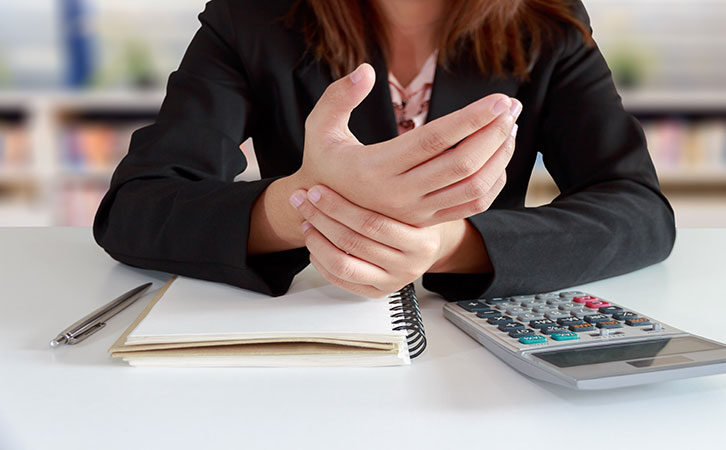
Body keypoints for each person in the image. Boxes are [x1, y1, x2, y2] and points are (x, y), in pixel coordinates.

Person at [93, 0, 675, 300]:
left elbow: (639, 210)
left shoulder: (545, 21)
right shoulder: (251, 15)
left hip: (479, 358)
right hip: (302, 348)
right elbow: (135, 207)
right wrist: (301, 204)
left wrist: (449, 244)